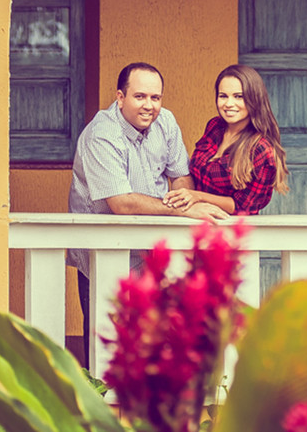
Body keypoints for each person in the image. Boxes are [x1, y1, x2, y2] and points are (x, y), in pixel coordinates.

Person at [67, 61, 227, 361]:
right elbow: (122, 203)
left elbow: (181, 177)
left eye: (155, 97)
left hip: (150, 250)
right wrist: (182, 211)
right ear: (120, 97)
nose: (149, 106)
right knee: (105, 343)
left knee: (155, 341)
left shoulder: (165, 121)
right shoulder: (102, 134)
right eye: (140, 96)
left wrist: (182, 199)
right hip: (103, 250)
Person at [163, 64, 289, 216]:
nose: (229, 104)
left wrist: (198, 196)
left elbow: (244, 207)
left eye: (238, 96)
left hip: (229, 224)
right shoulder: (215, 126)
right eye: (223, 96)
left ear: (254, 99)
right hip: (196, 218)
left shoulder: (261, 149)